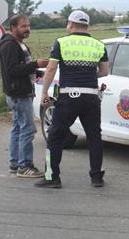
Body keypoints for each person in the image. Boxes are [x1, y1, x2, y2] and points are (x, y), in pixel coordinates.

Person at [35, 10, 110, 189]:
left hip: (68, 96)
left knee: (55, 136)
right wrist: (88, 76)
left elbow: (52, 69)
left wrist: (44, 93)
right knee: (94, 137)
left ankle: (52, 176)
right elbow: (104, 72)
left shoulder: (61, 42)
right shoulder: (98, 45)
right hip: (91, 96)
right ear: (87, 25)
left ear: (70, 24)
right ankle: (96, 177)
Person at [0, 14, 49, 178]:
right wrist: (35, 64)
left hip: (19, 92)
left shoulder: (17, 44)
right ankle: (24, 165)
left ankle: (15, 163)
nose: (27, 29)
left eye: (28, 26)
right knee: (28, 129)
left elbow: (21, 68)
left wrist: (37, 71)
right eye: (23, 26)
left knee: (18, 128)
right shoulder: (10, 45)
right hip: (18, 94)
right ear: (13, 28)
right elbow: (12, 70)